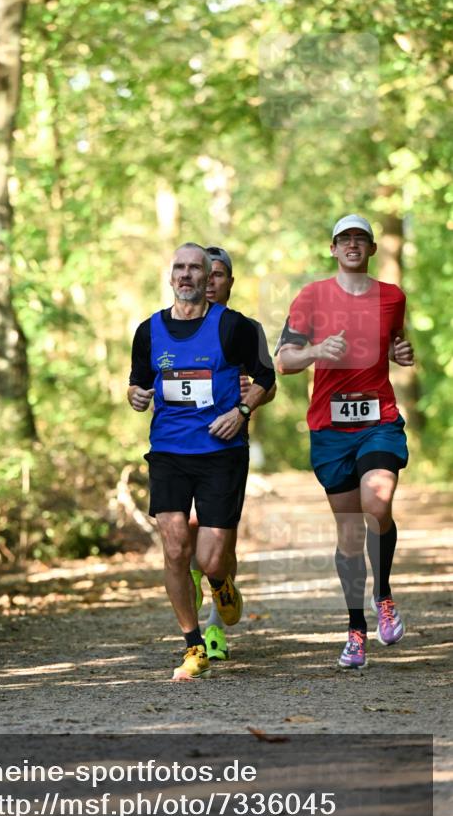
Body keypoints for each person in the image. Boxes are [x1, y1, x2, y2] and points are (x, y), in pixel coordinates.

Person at [128, 242, 276, 680]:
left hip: (220, 453)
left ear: (209, 276)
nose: (187, 275)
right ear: (170, 275)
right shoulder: (149, 331)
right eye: (180, 267)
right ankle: (194, 646)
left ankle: (221, 583)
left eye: (196, 268)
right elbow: (138, 383)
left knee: (211, 559)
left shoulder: (233, 326)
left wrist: (242, 412)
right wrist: (134, 395)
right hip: (168, 452)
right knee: (175, 547)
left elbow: (266, 377)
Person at [275, 215, 415, 670]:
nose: (352, 245)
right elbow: (284, 361)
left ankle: (384, 595)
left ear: (371, 248)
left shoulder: (392, 296)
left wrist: (399, 351)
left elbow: (393, 342)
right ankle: (356, 629)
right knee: (351, 533)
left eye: (360, 239)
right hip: (330, 428)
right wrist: (316, 351)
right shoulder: (311, 297)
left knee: (378, 502)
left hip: (379, 420)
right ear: (333, 249)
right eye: (344, 239)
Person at [190, 246, 277, 661]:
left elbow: (269, 384)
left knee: (219, 540)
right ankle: (194, 589)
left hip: (227, 445)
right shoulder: (173, 325)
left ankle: (214, 626)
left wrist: (250, 397)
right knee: (186, 528)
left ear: (229, 282)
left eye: (219, 274)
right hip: (180, 445)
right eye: (204, 272)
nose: (210, 281)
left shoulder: (246, 328)